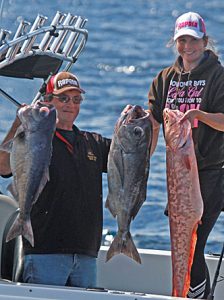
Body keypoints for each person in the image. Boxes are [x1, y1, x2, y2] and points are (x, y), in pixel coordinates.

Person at [0, 71, 111, 288]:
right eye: (63, 98)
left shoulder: (93, 142)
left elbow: (135, 155)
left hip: (86, 255)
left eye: (76, 99)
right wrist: (18, 123)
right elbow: (3, 167)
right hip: (44, 253)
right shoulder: (34, 136)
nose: (70, 104)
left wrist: (153, 122)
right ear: (48, 101)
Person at [148, 11, 224, 298]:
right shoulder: (164, 78)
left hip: (209, 173)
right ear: (175, 42)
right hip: (176, 172)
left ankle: (197, 295)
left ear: (205, 41)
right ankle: (183, 293)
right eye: (181, 40)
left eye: (193, 40)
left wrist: (200, 115)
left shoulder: (218, 76)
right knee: (180, 243)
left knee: (196, 242)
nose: (187, 47)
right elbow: (154, 123)